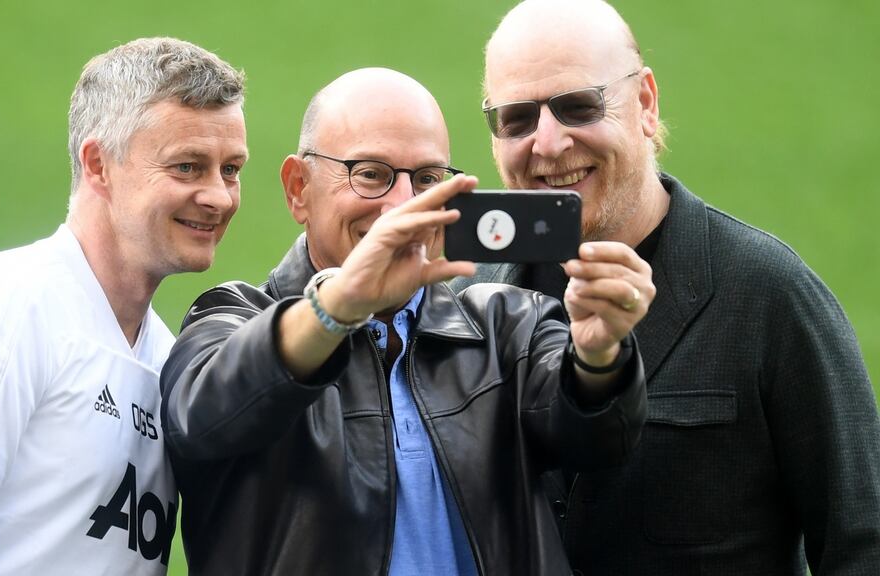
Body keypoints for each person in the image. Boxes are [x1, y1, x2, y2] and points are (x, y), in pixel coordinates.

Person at [161, 67, 652, 575]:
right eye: (370, 174)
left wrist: (597, 355)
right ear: (298, 189)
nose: (400, 206)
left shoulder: (506, 326)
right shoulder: (234, 317)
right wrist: (339, 306)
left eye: (425, 180)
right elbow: (204, 415)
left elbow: (601, 441)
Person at [453, 0, 880, 574]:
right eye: (517, 120)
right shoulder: (466, 305)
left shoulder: (769, 296)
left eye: (578, 107)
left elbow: (862, 541)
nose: (548, 144)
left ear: (646, 104)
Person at [0, 37, 248, 575]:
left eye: (230, 169)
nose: (219, 196)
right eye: (188, 167)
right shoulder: (1, 307)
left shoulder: (169, 359)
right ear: (98, 165)